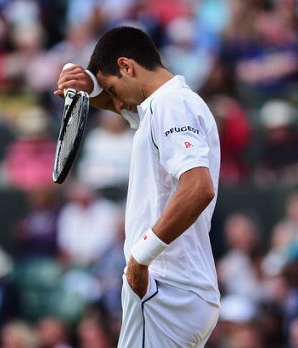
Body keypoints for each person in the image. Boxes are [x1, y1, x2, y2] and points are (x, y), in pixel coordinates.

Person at [54, 26, 221, 348]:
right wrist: (90, 85)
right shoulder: (170, 104)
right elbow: (116, 103)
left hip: (166, 284)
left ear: (127, 66)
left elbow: (199, 188)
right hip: (183, 287)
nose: (115, 102)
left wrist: (140, 258)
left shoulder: (169, 105)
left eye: (113, 88)